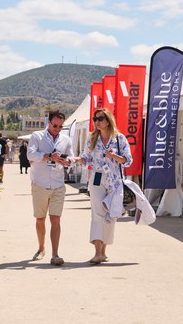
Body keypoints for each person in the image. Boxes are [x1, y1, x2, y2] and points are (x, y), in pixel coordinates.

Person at [76, 108, 132, 264]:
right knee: (97, 213)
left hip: (114, 180)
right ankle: (97, 252)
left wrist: (114, 156)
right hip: (97, 178)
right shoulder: (92, 138)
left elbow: (128, 161)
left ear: (108, 120)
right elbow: (86, 158)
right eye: (95, 118)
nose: (97, 121)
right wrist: (79, 160)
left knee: (110, 215)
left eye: (100, 118)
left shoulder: (119, 139)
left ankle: (104, 251)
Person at [27, 110, 74, 266]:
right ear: (49, 122)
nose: (58, 129)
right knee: (40, 219)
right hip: (39, 183)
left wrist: (68, 162)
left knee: (55, 219)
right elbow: (30, 155)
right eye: (55, 125)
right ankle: (41, 248)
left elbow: (71, 157)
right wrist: (47, 156)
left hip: (58, 184)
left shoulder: (66, 140)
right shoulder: (37, 136)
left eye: (61, 126)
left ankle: (55, 255)